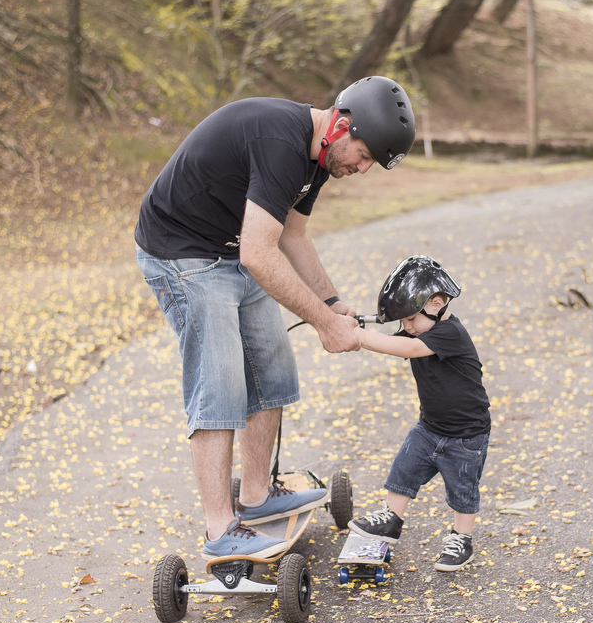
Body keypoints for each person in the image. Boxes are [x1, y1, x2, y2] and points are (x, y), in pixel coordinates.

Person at [134, 76, 417, 561]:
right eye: (365, 155)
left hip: (233, 249)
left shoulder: (320, 157)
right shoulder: (281, 141)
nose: (363, 168)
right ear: (342, 126)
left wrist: (329, 303)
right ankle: (220, 528)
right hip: (182, 254)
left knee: (274, 368)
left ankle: (256, 496)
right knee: (220, 381)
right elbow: (259, 254)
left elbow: (292, 235)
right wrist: (326, 326)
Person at [348, 256, 491, 572]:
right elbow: (390, 342)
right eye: (403, 321)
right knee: (403, 470)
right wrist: (354, 329)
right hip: (429, 427)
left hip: (466, 434)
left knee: (462, 489)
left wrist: (360, 337)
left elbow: (409, 349)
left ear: (437, 304)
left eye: (411, 319)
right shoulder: (419, 330)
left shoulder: (450, 333)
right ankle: (391, 519)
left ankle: (461, 539)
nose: (408, 327)